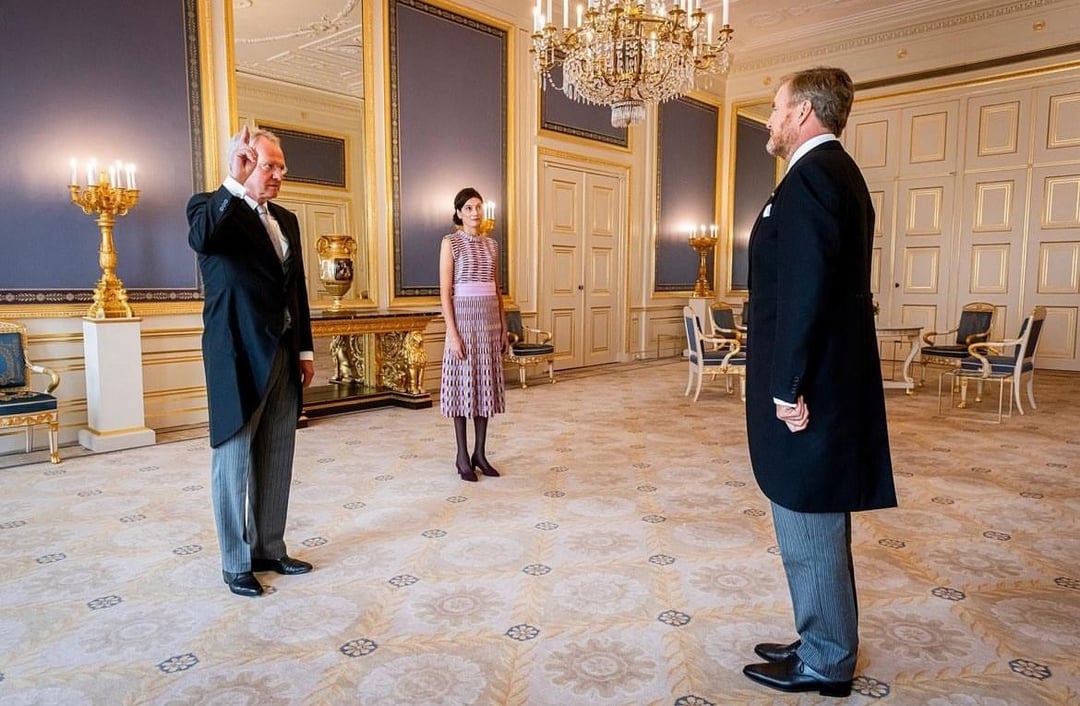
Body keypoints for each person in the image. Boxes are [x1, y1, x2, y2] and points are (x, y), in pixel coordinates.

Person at [742, 67, 897, 696]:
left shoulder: (811, 180)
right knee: (810, 519)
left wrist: (788, 387)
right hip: (827, 380)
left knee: (808, 517)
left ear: (804, 112)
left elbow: (805, 293)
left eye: (777, 108)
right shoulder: (834, 175)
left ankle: (827, 660)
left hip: (812, 390)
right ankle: (818, 636)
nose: (770, 119)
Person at [187, 126, 317, 597]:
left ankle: (268, 547)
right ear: (245, 162)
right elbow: (202, 238)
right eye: (270, 165)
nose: (279, 174)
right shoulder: (209, 207)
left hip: (282, 352)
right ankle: (235, 561)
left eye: (282, 167)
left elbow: (295, 289)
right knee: (234, 457)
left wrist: (303, 348)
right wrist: (233, 182)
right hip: (236, 353)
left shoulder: (287, 219)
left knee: (277, 452)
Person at [439, 187, 507, 482]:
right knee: (462, 389)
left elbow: (497, 289)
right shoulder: (450, 243)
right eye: (468, 207)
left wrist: (503, 327)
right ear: (458, 213)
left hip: (489, 322)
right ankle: (461, 455)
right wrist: (452, 334)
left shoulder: (492, 245)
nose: (475, 212)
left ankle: (480, 453)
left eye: (478, 206)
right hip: (463, 323)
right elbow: (445, 292)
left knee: (484, 389)